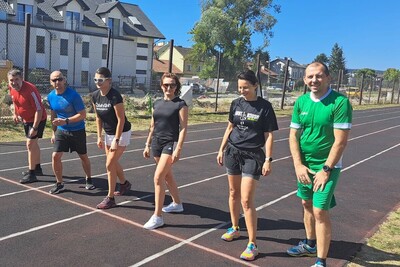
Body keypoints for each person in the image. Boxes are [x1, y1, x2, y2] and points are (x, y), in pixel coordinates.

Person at [287, 62, 352, 267]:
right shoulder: (301, 102)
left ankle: (320, 261)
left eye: (318, 76)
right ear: (305, 80)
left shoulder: (340, 102)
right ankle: (309, 244)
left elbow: (340, 141)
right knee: (306, 204)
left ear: (328, 78)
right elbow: (293, 135)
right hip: (304, 165)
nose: (314, 80)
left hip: (327, 166)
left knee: (319, 211)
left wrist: (326, 170)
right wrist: (298, 164)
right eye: (310, 77)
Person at [217, 70, 278, 261]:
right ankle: (235, 228)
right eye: (240, 87)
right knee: (233, 193)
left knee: (246, 200)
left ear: (255, 86)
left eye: (246, 87)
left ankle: (253, 244)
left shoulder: (265, 107)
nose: (242, 90)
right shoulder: (236, 103)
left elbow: (268, 135)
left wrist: (268, 159)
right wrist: (221, 149)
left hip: (253, 155)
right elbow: (230, 127)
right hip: (233, 152)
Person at [142, 72, 188, 230]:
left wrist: (178, 149)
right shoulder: (157, 103)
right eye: (166, 85)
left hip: (170, 143)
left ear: (176, 87)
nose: (169, 87)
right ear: (161, 86)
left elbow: (183, 129)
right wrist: (147, 144)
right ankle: (177, 203)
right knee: (167, 176)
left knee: (158, 177)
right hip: (156, 142)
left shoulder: (180, 104)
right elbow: (152, 125)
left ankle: (157, 217)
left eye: (172, 85)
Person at [47, 70, 94, 194]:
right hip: (62, 131)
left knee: (83, 156)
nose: (57, 82)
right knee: (55, 156)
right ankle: (59, 183)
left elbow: (82, 115)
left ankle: (88, 179)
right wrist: (54, 132)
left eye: (60, 79)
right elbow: (53, 115)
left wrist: (66, 121)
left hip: (77, 130)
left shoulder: (73, 95)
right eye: (54, 80)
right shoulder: (51, 96)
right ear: (51, 82)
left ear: (64, 80)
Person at [91, 67, 132, 209]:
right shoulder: (95, 96)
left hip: (121, 132)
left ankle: (110, 198)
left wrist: (116, 139)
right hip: (108, 133)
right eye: (95, 79)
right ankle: (125, 184)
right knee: (112, 162)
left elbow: (121, 119)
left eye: (100, 80)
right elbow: (98, 117)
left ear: (109, 81)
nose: (97, 82)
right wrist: (99, 136)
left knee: (109, 164)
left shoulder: (115, 96)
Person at [7, 69, 47, 184]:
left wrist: (34, 128)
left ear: (21, 79)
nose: (14, 83)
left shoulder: (31, 90)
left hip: (38, 119)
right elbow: (15, 101)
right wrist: (15, 113)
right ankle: (37, 168)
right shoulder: (12, 88)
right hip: (27, 120)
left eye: (16, 80)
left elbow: (39, 110)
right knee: (34, 144)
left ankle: (32, 173)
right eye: (11, 80)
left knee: (30, 144)